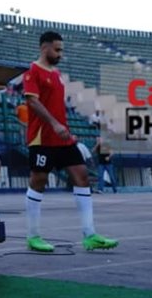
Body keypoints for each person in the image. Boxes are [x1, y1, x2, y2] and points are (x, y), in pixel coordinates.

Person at [21, 30, 118, 254]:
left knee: (82, 175)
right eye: (57, 49)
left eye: (61, 50)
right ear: (44, 47)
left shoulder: (56, 74)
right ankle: (33, 236)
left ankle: (90, 234)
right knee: (39, 180)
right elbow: (33, 103)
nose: (60, 54)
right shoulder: (32, 71)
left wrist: (62, 127)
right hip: (41, 137)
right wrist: (54, 124)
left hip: (63, 138)